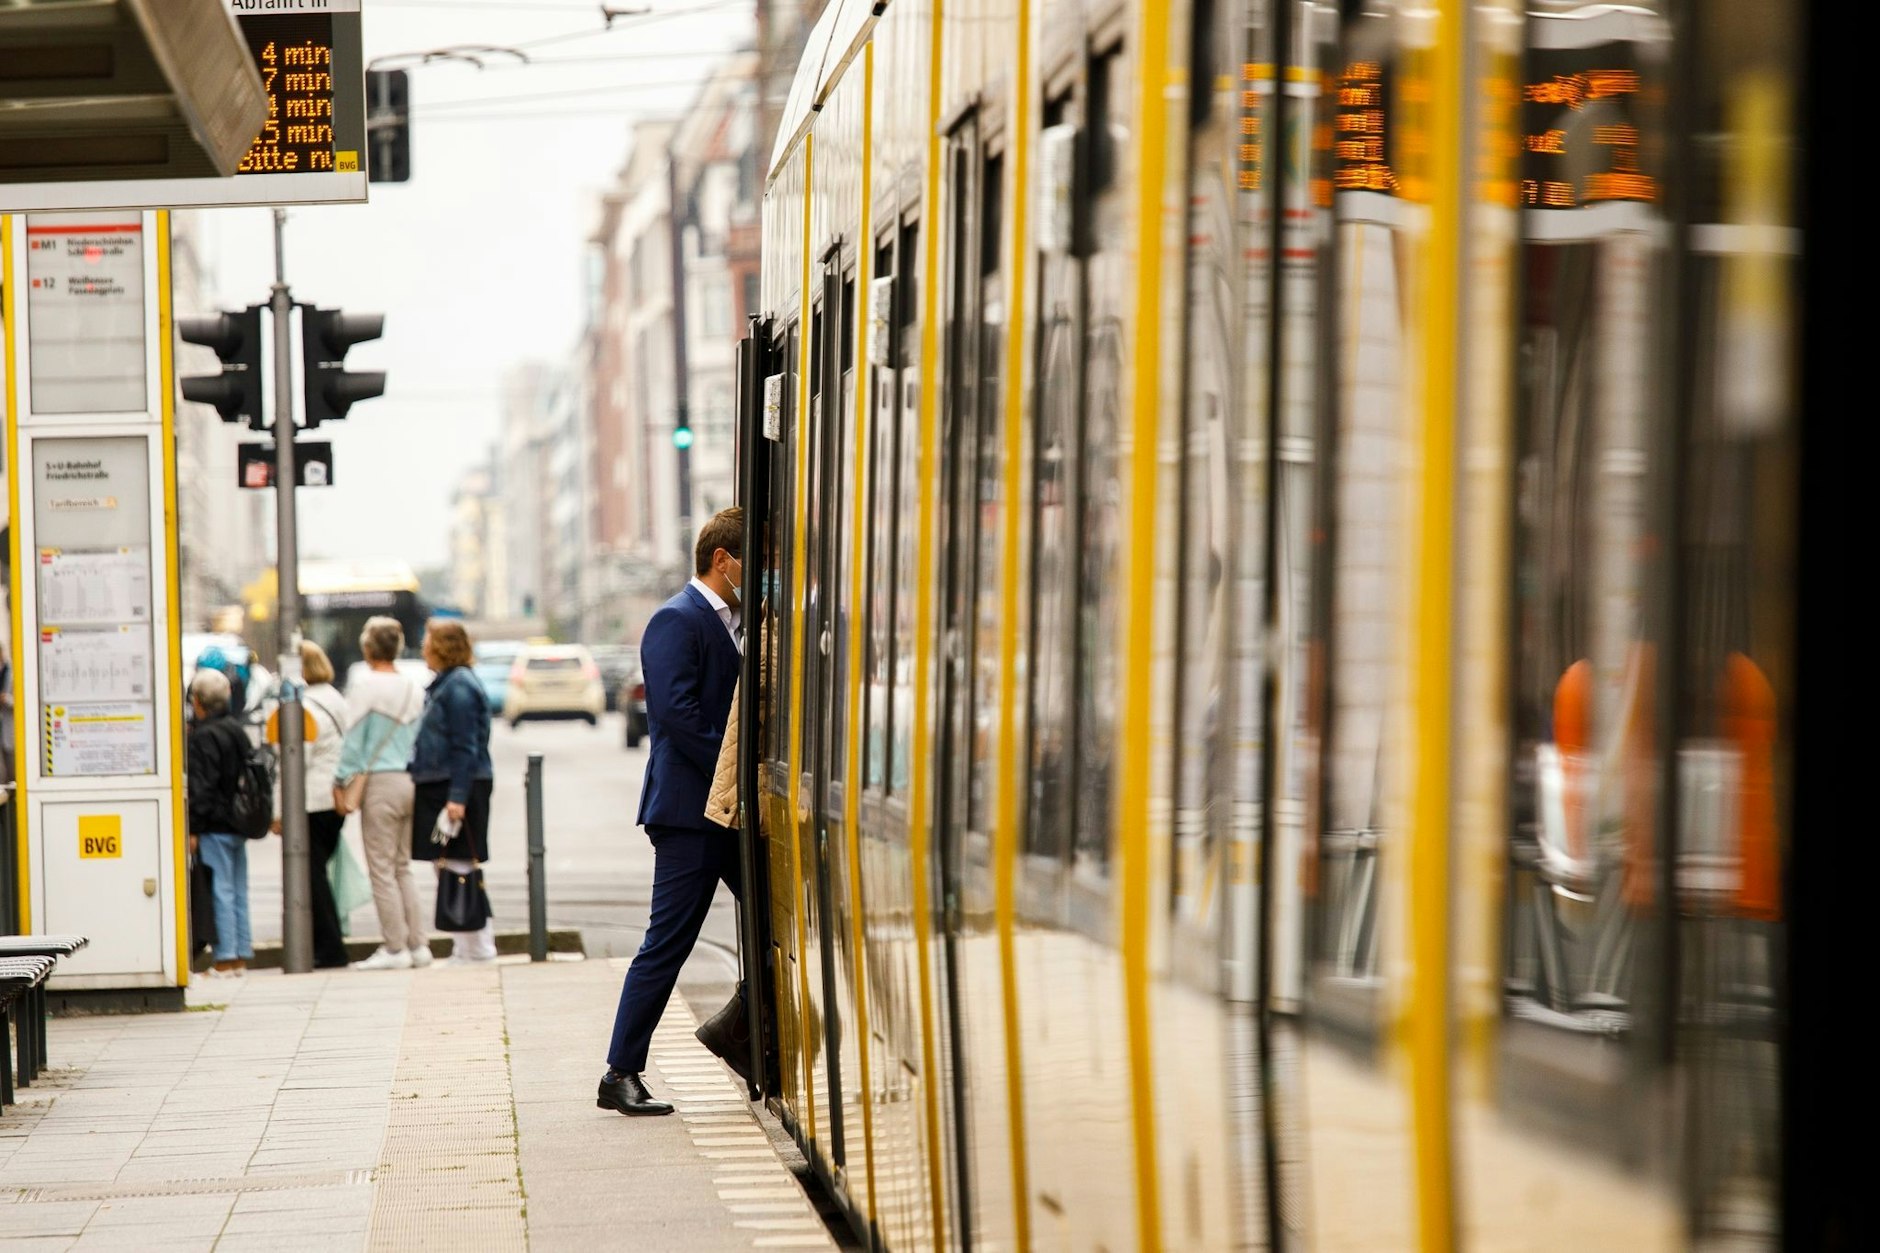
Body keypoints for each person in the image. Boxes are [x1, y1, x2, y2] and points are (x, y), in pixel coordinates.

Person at [600, 508, 744, 1117]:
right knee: (668, 941)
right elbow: (678, 717)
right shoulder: (675, 619)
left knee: (783, 925)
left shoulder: (734, 621)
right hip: (690, 813)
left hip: (727, 809)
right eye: (755, 560)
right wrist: (738, 766)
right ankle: (620, 1072)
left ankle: (745, 1034)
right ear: (722, 560)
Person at [336, 617, 430, 971]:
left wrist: (341, 780)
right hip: (409, 781)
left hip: (380, 784)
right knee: (402, 867)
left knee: (381, 869)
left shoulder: (365, 686)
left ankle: (394, 948)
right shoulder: (412, 687)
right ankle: (419, 945)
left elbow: (353, 744)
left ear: (368, 648)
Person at [409, 619, 496, 965]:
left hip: (456, 784)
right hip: (446, 783)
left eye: (428, 642)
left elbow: (465, 746)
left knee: (459, 865)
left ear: (442, 647)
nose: (423, 649)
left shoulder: (457, 687)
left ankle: (476, 948)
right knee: (453, 864)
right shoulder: (449, 683)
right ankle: (469, 946)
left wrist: (457, 797)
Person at [278, 640, 351, 970]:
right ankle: (327, 945)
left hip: (311, 801)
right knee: (316, 874)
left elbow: (296, 761)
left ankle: (330, 948)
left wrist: (279, 812)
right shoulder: (336, 698)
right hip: (333, 799)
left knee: (311, 878)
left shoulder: (303, 706)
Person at [187, 668, 256, 977]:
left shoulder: (202, 737)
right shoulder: (236, 730)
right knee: (238, 888)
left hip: (214, 824)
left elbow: (202, 786)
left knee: (220, 890)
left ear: (199, 702)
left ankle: (225, 957)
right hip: (240, 821)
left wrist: (194, 827)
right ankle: (241, 953)